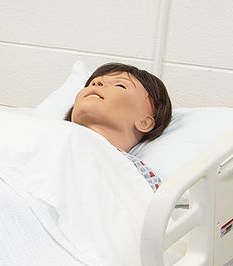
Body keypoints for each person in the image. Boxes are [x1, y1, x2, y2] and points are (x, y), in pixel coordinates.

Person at [65, 62, 173, 190]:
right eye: (92, 84)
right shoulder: (49, 131)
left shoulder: (137, 176)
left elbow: (155, 202)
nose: (97, 82)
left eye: (120, 85)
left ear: (144, 122)